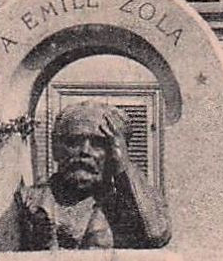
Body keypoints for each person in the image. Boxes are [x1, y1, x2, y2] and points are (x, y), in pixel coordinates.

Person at [16, 101, 172, 251]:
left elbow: (157, 235)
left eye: (99, 143)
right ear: (56, 149)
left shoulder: (130, 203)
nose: (85, 151)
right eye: (73, 142)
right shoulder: (30, 200)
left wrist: (123, 165)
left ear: (116, 152)